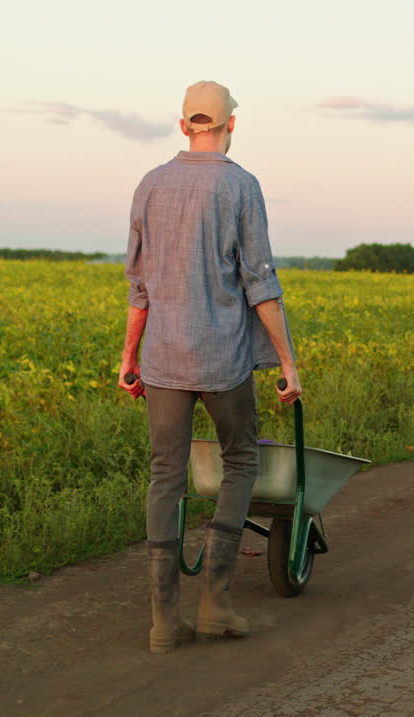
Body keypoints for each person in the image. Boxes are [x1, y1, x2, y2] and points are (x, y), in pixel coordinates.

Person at [118, 80, 302, 654]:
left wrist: (128, 358)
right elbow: (260, 283)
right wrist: (287, 363)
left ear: (183, 126)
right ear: (230, 126)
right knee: (242, 460)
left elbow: (138, 285)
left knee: (165, 477)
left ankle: (163, 622)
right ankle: (216, 604)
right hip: (223, 358)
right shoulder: (241, 185)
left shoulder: (150, 184)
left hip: (164, 359)